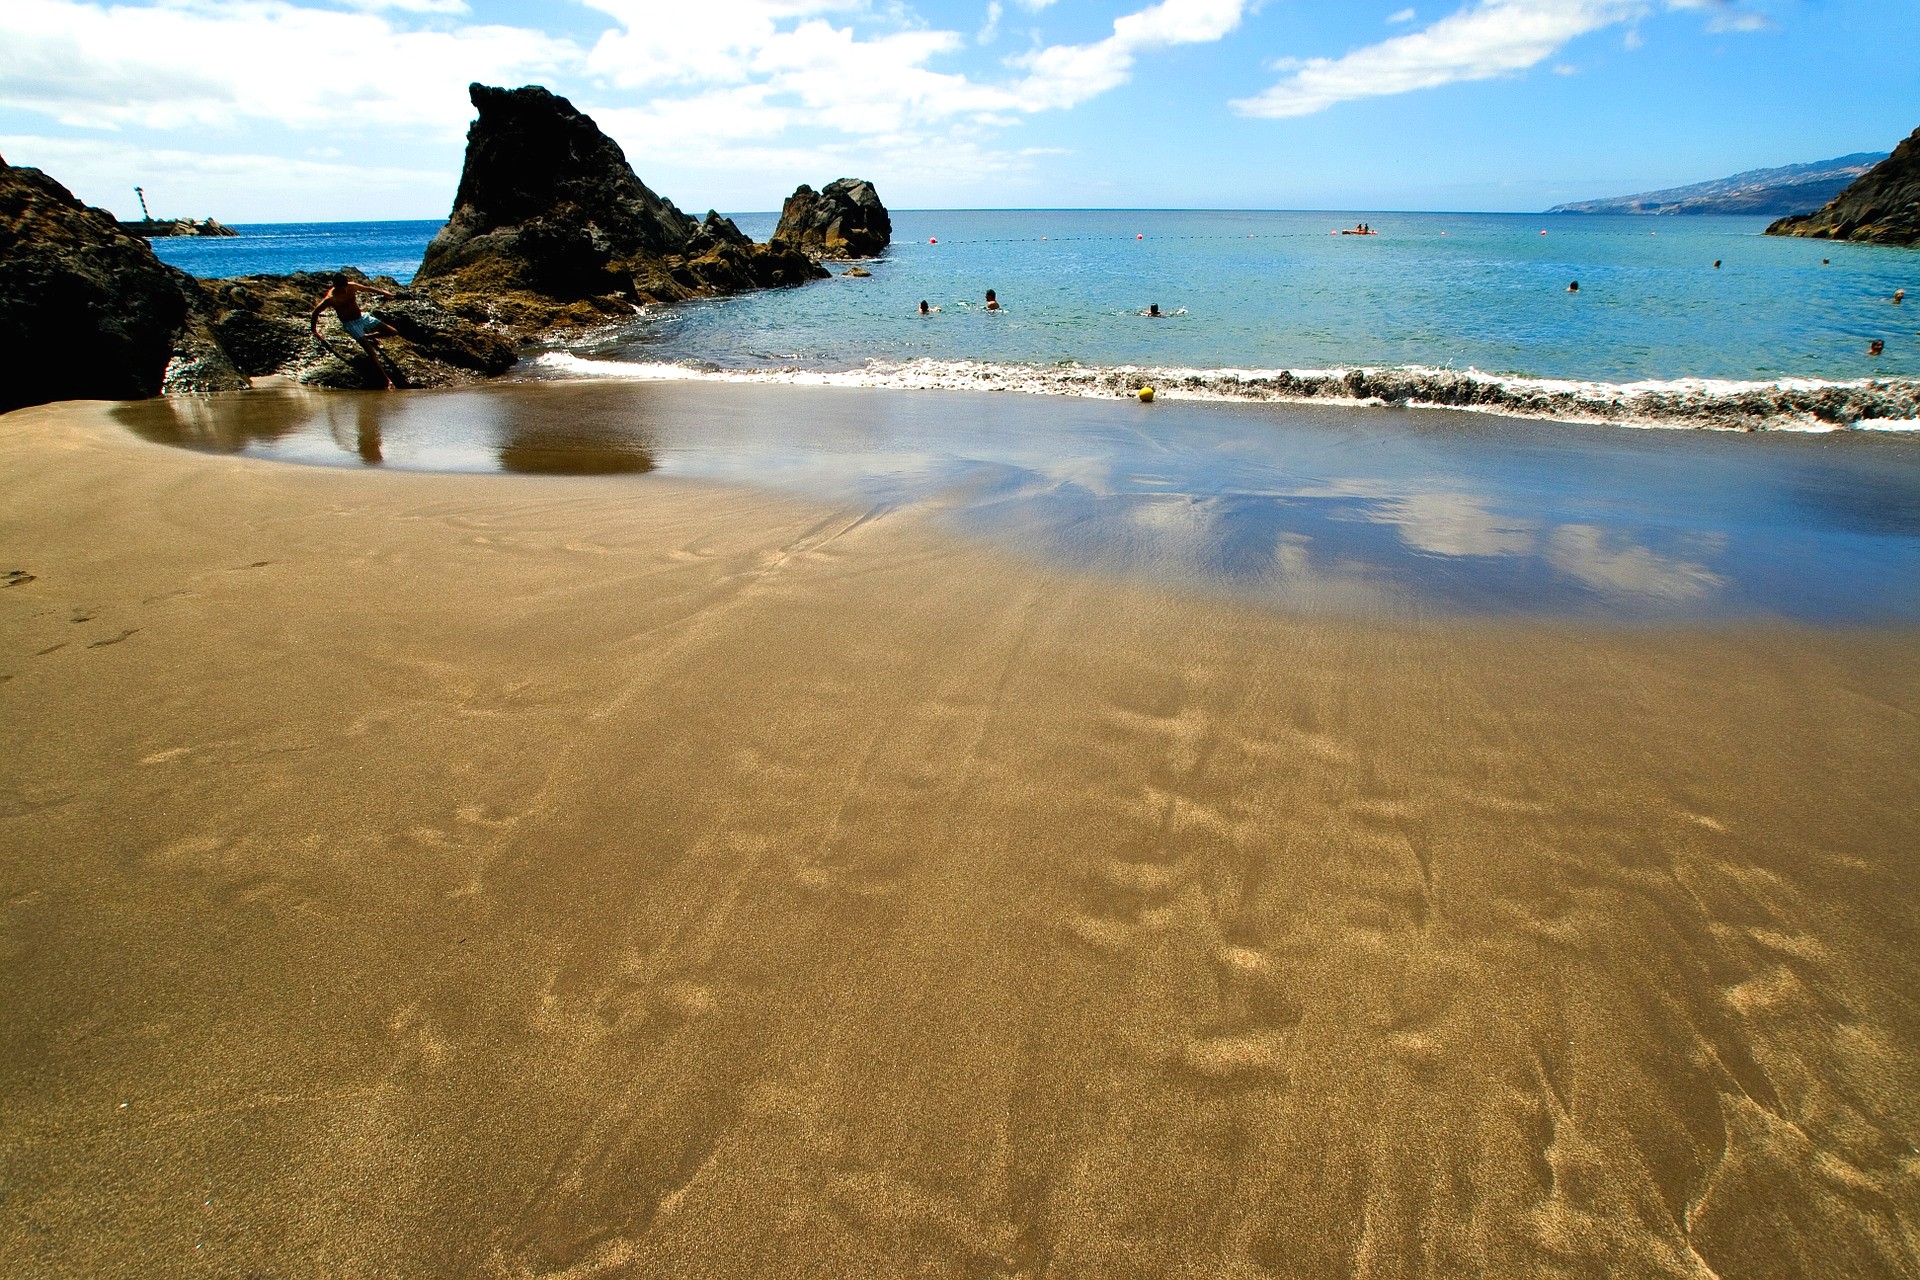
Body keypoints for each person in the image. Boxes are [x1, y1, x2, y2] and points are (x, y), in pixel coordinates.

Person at [311, 272, 401, 389]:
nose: (344, 290)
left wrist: (385, 293)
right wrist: (314, 330)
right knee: (370, 351)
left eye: (345, 287)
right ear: (335, 286)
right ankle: (386, 379)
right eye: (341, 289)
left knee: (393, 332)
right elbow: (316, 312)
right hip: (350, 324)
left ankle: (368, 337)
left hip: (362, 317)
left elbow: (368, 289)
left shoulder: (351, 286)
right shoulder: (331, 299)